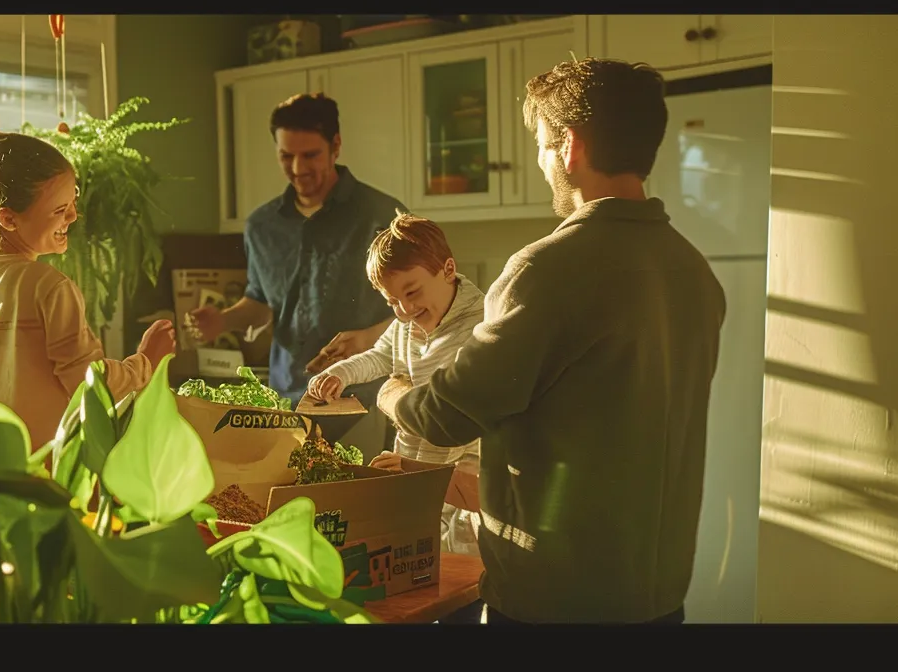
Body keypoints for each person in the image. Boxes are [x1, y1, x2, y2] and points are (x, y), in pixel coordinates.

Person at [376, 58, 727, 625]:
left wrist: (391, 391)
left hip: (556, 601)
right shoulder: (692, 271)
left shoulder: (546, 269)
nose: (542, 162)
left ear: (570, 146)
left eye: (542, 144)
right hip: (658, 597)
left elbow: (444, 417)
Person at [0, 114, 177, 452]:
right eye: (60, 209)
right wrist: (145, 364)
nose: (74, 216)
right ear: (8, 218)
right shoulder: (48, 286)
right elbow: (89, 386)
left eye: (74, 200)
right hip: (43, 477)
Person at [184, 93, 406, 440]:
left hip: (365, 402)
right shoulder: (261, 226)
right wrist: (224, 320)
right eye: (286, 156)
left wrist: (365, 339)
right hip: (287, 402)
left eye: (310, 155)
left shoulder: (383, 216)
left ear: (336, 146)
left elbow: (419, 312)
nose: (298, 169)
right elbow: (262, 303)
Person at [306, 213, 485, 557]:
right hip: (410, 472)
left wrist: (413, 471)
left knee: (459, 562)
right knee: (413, 549)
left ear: (448, 269)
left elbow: (449, 419)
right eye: (392, 302)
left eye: (412, 292)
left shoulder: (481, 326)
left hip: (460, 479)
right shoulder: (406, 323)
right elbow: (378, 357)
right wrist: (340, 374)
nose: (404, 309)